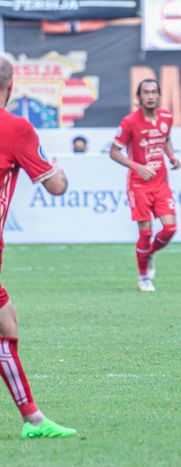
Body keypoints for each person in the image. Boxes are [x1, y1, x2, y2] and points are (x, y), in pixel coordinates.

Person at [0, 55, 77, 439]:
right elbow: (55, 186)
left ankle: (32, 419)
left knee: (5, 325)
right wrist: (59, 170)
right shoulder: (16, 128)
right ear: (11, 86)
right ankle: (32, 418)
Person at [109, 79, 181, 292]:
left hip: (161, 182)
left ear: (159, 95)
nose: (150, 96)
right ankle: (143, 277)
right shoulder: (129, 122)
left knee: (170, 229)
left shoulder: (167, 117)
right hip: (139, 185)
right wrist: (136, 166)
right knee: (146, 232)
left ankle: (148, 254)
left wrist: (171, 157)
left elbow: (165, 138)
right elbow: (113, 151)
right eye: (146, 93)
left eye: (154, 92)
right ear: (139, 98)